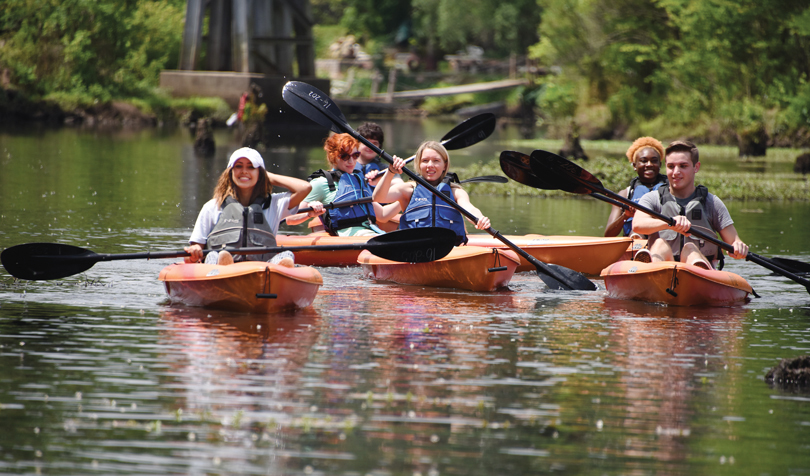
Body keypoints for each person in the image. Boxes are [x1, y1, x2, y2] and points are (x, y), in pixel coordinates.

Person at [184, 147, 316, 266]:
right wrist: (195, 250)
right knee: (214, 255)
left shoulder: (275, 204)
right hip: (219, 272)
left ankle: (279, 277)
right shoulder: (213, 206)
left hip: (260, 271)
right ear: (230, 172)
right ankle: (224, 266)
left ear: (260, 173)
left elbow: (305, 188)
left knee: (287, 254)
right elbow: (196, 249)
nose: (244, 171)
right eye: (239, 166)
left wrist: (267, 176)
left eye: (251, 167)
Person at [632, 140, 749, 269]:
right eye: (671, 166)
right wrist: (670, 223)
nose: (676, 171)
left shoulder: (712, 203)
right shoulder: (652, 199)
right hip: (663, 269)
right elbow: (637, 225)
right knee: (659, 244)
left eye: (683, 166)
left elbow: (734, 241)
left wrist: (738, 246)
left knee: (690, 249)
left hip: (698, 273)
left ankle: (698, 270)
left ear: (696, 167)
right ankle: (649, 272)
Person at [372, 140, 491, 245]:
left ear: (444, 165)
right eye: (425, 161)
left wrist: (480, 218)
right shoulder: (408, 190)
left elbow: (470, 209)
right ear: (419, 164)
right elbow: (378, 198)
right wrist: (390, 172)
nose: (430, 165)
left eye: (436, 161)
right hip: (414, 249)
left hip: (450, 249)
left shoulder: (456, 192)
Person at [286, 134, 399, 236]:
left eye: (355, 155)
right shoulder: (321, 183)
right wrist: (309, 214)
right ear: (333, 156)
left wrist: (405, 197)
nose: (351, 161)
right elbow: (290, 218)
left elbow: (382, 215)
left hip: (370, 231)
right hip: (349, 236)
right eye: (345, 157)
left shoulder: (358, 180)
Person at [604, 137, 668, 237]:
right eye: (643, 161)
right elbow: (608, 235)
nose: (649, 164)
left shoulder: (671, 191)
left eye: (654, 161)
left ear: (659, 164)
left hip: (663, 240)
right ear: (634, 165)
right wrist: (625, 216)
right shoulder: (625, 194)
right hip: (635, 240)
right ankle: (639, 248)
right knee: (637, 232)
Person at [355, 122, 403, 190]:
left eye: (375, 144)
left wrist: (382, 181)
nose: (370, 147)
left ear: (379, 147)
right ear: (357, 144)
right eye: (366, 143)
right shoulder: (348, 165)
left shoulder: (385, 168)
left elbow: (399, 184)